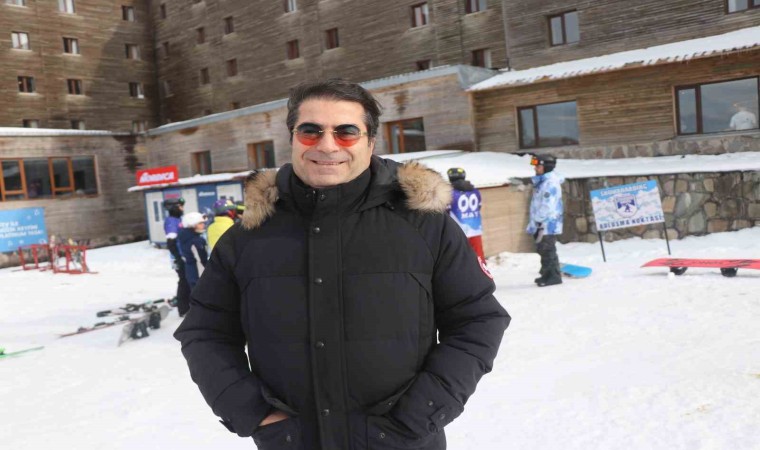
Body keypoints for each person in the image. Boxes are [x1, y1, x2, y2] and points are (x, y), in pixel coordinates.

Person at [174, 79, 510, 450]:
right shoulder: (248, 237)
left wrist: (419, 414)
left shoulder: (425, 226)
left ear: (370, 142)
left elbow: (477, 320)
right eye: (310, 131)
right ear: (292, 139)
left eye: (346, 132)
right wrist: (254, 413)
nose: (327, 145)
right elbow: (205, 332)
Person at [527, 154, 565, 287]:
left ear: (546, 167)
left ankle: (553, 276)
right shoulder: (542, 182)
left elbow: (547, 205)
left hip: (547, 224)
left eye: (538, 166)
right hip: (541, 223)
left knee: (548, 250)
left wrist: (538, 219)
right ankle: (546, 274)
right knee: (543, 250)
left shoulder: (550, 183)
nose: (535, 168)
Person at [446, 167, 486, 262]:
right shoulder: (475, 191)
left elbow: (446, 211)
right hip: (475, 229)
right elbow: (479, 207)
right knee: (479, 256)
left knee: (461, 258)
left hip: (458, 231)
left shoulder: (449, 193)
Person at [163, 198, 191, 316]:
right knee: (184, 281)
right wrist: (179, 257)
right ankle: (183, 309)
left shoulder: (178, 219)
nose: (182, 209)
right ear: (174, 208)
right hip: (178, 257)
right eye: (180, 206)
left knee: (187, 280)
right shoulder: (171, 221)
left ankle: (187, 305)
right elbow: (171, 242)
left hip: (183, 255)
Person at [177, 211, 208, 298]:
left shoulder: (185, 237)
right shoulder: (196, 241)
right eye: (200, 223)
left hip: (191, 272)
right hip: (199, 273)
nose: (203, 225)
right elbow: (202, 260)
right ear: (192, 225)